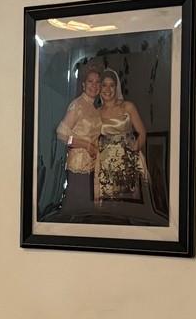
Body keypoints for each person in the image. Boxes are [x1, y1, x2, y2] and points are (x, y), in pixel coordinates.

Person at [94, 70, 150, 204]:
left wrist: (134, 150)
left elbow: (142, 133)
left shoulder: (128, 106)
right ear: (99, 87)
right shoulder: (96, 112)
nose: (108, 89)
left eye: (111, 85)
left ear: (116, 87)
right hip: (106, 164)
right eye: (104, 85)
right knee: (110, 205)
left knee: (132, 205)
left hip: (129, 160)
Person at [54, 66, 103, 216]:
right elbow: (61, 134)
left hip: (92, 166)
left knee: (87, 211)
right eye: (90, 81)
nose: (94, 85)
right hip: (78, 165)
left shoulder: (94, 109)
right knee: (76, 210)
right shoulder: (77, 105)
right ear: (83, 84)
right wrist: (86, 145)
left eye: (97, 82)